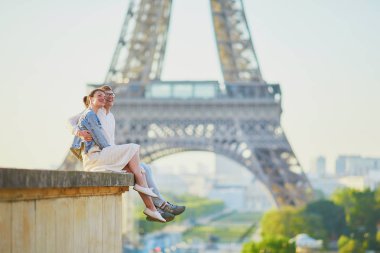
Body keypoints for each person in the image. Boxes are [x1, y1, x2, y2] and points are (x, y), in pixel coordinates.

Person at [69, 86, 185, 221]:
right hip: (99, 156)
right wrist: (77, 132)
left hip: (107, 154)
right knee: (135, 155)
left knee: (145, 168)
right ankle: (156, 206)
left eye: (111, 94)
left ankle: (158, 205)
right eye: (105, 95)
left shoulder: (110, 116)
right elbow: (71, 121)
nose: (109, 96)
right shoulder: (95, 112)